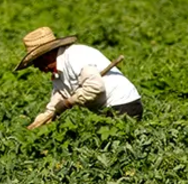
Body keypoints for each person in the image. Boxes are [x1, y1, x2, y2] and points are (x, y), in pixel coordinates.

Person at [14, 26, 142, 127]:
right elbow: (60, 95)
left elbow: (95, 88)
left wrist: (69, 103)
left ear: (46, 56)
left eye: (35, 61)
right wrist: (47, 115)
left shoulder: (76, 56)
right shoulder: (58, 70)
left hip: (124, 105)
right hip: (106, 109)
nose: (36, 67)